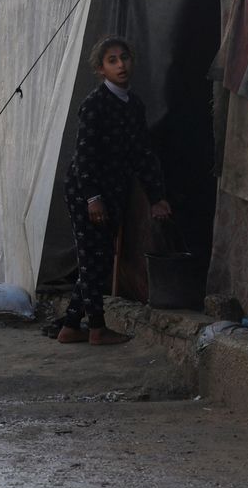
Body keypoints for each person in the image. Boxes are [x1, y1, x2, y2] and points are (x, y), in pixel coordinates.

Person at [50, 36, 172, 346]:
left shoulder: (134, 106)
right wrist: (93, 198)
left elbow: (142, 154)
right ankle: (96, 328)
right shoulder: (95, 104)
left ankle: (71, 326)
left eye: (124, 57)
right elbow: (84, 155)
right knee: (93, 258)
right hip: (86, 192)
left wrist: (156, 197)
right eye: (112, 60)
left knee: (100, 259)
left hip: (114, 191)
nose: (121, 65)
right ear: (100, 69)